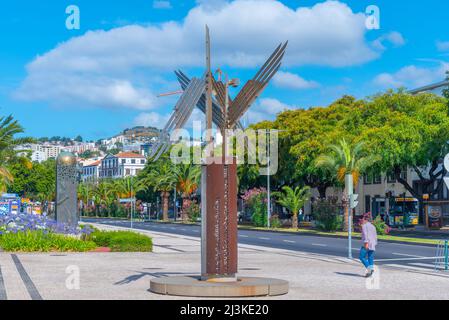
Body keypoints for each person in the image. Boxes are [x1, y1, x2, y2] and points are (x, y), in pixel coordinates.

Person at [359, 213, 378, 278]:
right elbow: (375, 236)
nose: (361, 220)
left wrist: (366, 243)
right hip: (373, 244)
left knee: (361, 257)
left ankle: (370, 269)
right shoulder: (373, 226)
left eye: (362, 219)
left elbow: (366, 235)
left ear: (364, 219)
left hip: (367, 243)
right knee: (370, 257)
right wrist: (375, 243)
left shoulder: (364, 226)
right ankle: (370, 272)